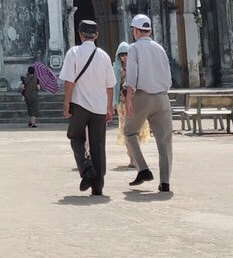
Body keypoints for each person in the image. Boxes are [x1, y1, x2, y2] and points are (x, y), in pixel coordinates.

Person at [59, 19, 116, 196]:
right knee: (98, 144)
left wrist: (66, 102)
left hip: (80, 105)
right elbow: (110, 85)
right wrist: (109, 107)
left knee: (75, 137)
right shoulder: (104, 56)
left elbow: (69, 81)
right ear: (96, 35)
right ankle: (98, 186)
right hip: (99, 107)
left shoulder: (73, 53)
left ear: (80, 34)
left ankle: (86, 168)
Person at [124, 13, 174, 193]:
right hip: (162, 97)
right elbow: (168, 76)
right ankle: (165, 182)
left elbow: (131, 76)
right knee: (165, 141)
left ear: (135, 31)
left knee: (129, 133)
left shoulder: (134, 48)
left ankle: (143, 169)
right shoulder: (159, 48)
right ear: (150, 30)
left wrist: (129, 98)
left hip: (143, 96)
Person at [113, 41, 149, 167]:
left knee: (137, 131)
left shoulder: (137, 67)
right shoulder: (117, 69)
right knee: (126, 131)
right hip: (123, 104)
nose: (124, 57)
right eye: (122, 55)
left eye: (127, 54)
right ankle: (132, 158)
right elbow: (115, 87)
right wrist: (113, 103)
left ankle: (137, 156)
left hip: (137, 102)